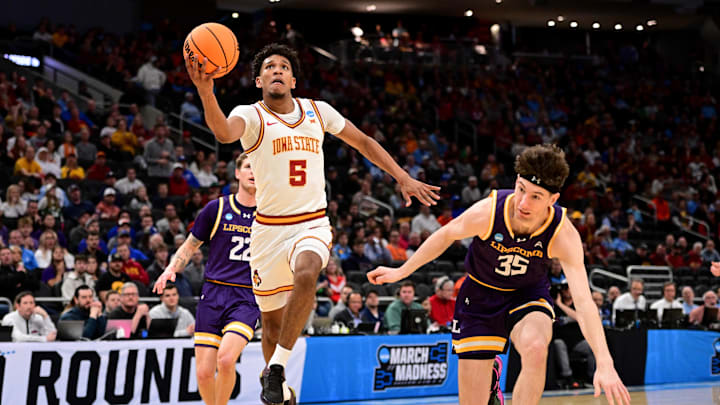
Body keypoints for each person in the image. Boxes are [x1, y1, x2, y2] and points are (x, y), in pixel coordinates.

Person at [186, 42, 439, 405]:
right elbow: (224, 132)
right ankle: (283, 389)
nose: (277, 70)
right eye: (269, 67)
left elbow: (364, 142)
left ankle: (276, 369)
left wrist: (401, 176)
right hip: (267, 232)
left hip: (311, 223)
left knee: (307, 271)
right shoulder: (252, 115)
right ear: (259, 80)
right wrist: (206, 92)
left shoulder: (317, 111)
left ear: (292, 78)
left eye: (284, 67)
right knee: (271, 327)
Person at [368, 145, 629, 405]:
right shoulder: (490, 211)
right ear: (516, 182)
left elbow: (584, 302)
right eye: (521, 189)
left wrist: (604, 361)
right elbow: (446, 234)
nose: (523, 203)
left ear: (553, 199)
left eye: (536, 196)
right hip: (480, 295)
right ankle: (491, 377)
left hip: (527, 293)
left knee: (537, 347)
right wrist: (401, 270)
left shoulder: (563, 234)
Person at [153, 153, 261, 405]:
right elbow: (190, 246)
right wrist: (171, 268)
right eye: (247, 167)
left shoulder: (271, 213)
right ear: (237, 173)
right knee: (203, 372)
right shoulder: (216, 208)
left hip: (246, 296)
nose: (253, 171)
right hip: (213, 293)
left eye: (257, 167)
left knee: (225, 359)